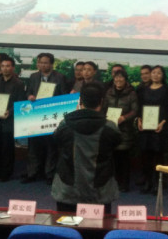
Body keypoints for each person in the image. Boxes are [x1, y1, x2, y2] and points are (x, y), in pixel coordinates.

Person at [51, 83, 121, 214]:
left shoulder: (65, 125)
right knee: (100, 226)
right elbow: (117, 143)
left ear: (80, 101)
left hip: (68, 191)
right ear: (101, 102)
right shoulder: (110, 128)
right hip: (100, 192)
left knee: (65, 225)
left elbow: (56, 140)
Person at [22, 53, 67, 185]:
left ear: (51, 64)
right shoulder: (33, 76)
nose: (42, 65)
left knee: (51, 147)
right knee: (33, 146)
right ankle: (32, 173)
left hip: (52, 116)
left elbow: (64, 96)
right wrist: (29, 96)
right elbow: (28, 92)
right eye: (40, 62)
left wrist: (53, 101)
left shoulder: (60, 77)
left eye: (45, 62)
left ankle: (50, 175)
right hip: (36, 116)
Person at [0, 56, 25, 182]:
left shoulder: (19, 83)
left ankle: (6, 173)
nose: (5, 68)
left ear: (13, 68)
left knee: (7, 148)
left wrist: (10, 112)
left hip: (8, 119)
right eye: (3, 66)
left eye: (8, 66)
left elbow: (20, 102)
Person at [135, 65, 168, 193]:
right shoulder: (143, 90)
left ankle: (158, 184)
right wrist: (139, 119)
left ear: (163, 75)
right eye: (153, 72)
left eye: (159, 73)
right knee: (146, 157)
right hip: (145, 128)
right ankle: (148, 182)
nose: (155, 75)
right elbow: (140, 107)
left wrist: (163, 123)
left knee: (158, 157)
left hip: (159, 128)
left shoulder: (166, 90)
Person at [103, 69, 138, 192]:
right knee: (112, 158)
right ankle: (114, 183)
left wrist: (124, 118)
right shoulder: (108, 92)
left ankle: (124, 184)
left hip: (125, 130)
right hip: (111, 129)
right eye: (116, 77)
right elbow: (104, 108)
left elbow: (135, 111)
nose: (118, 80)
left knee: (123, 158)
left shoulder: (132, 94)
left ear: (125, 79)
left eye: (121, 77)